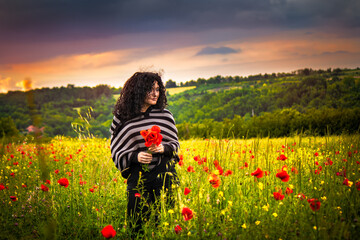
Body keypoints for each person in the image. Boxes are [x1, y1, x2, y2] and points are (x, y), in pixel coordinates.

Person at [110, 72, 180, 236]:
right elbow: (116, 148)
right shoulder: (121, 118)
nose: (155, 93)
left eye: (158, 89)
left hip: (165, 175)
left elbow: (175, 145)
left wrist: (163, 148)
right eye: (150, 89)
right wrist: (135, 157)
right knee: (137, 225)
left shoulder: (165, 115)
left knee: (166, 223)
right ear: (138, 90)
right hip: (138, 177)